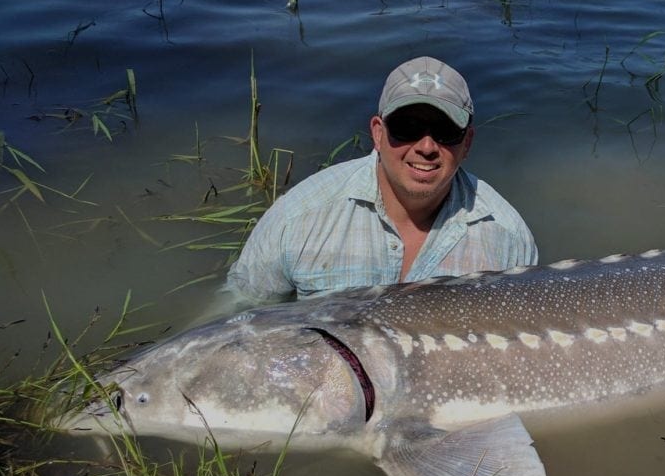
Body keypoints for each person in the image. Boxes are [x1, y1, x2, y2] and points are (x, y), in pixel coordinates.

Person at [226, 55, 538, 304]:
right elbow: (239, 310)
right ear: (377, 132)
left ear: (467, 142)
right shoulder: (299, 217)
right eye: (407, 127)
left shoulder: (508, 240)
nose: (426, 147)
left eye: (445, 132)